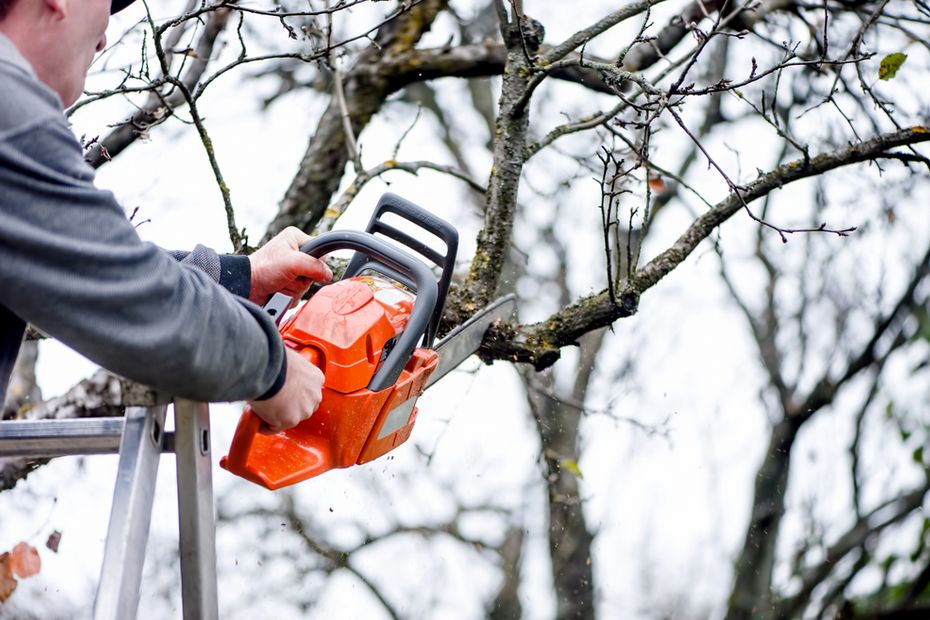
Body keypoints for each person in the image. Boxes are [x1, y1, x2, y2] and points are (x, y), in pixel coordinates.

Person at [0, 0, 328, 432]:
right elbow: (126, 294)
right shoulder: (11, 113)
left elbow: (86, 261)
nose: (103, 36)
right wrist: (271, 366)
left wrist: (239, 278)